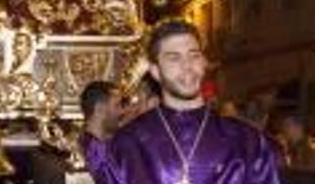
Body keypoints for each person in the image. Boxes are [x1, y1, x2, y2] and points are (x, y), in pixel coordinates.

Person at [106, 20, 281, 184]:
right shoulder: (128, 144)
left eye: (194, 55)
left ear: (204, 62)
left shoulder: (247, 141)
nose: (187, 66)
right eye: (174, 58)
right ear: (155, 71)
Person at [78, 81, 124, 183]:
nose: (122, 111)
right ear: (99, 109)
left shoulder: (102, 144)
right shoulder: (93, 150)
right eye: (117, 105)